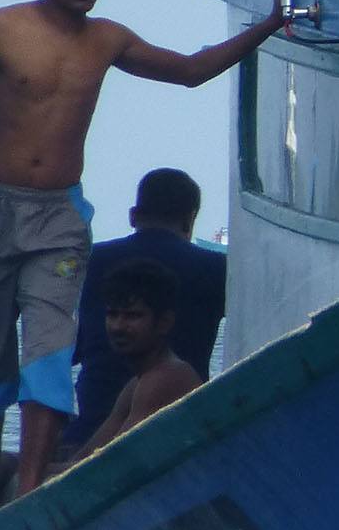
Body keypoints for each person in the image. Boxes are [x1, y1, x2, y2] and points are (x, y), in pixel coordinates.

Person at [0, 0, 282, 519]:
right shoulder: (1, 30)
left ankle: (31, 490)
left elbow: (189, 72)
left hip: (58, 216)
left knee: (49, 352)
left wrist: (269, 25)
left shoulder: (107, 39)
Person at [68, 167, 227, 449]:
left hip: (90, 424)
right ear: (190, 220)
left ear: (133, 215)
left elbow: (72, 350)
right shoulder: (217, 270)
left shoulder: (91, 262)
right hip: (176, 433)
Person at [80, 259, 200, 451]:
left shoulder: (165, 378)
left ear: (165, 322)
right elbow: (83, 460)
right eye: (112, 314)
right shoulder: (138, 383)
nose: (118, 326)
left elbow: (108, 462)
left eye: (132, 316)